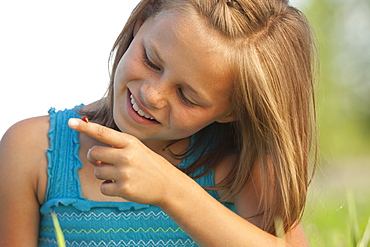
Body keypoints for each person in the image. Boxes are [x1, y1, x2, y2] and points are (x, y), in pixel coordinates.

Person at [0, 0, 317, 246]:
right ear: (140, 24)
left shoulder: (237, 162)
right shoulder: (33, 149)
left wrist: (172, 190)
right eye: (151, 60)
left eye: (187, 97)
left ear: (231, 111)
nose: (152, 94)